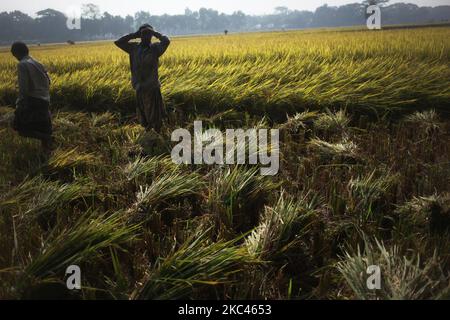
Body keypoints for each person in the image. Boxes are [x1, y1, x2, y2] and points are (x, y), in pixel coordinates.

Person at [114, 24, 171, 132]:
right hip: (139, 87)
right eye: (143, 34)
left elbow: (166, 41)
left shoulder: (155, 49)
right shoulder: (134, 48)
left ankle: (157, 137)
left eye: (148, 34)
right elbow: (118, 42)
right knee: (143, 115)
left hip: (152, 87)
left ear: (151, 36)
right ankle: (149, 136)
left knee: (155, 116)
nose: (146, 36)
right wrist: (134, 34)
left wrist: (154, 33)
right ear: (140, 35)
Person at [10, 41, 53, 154]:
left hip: (32, 101)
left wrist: (20, 103)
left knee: (20, 127)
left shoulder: (22, 64)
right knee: (42, 125)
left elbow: (24, 88)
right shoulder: (37, 63)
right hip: (44, 99)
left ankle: (47, 138)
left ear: (16, 53)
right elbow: (48, 81)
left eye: (13, 54)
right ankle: (46, 153)